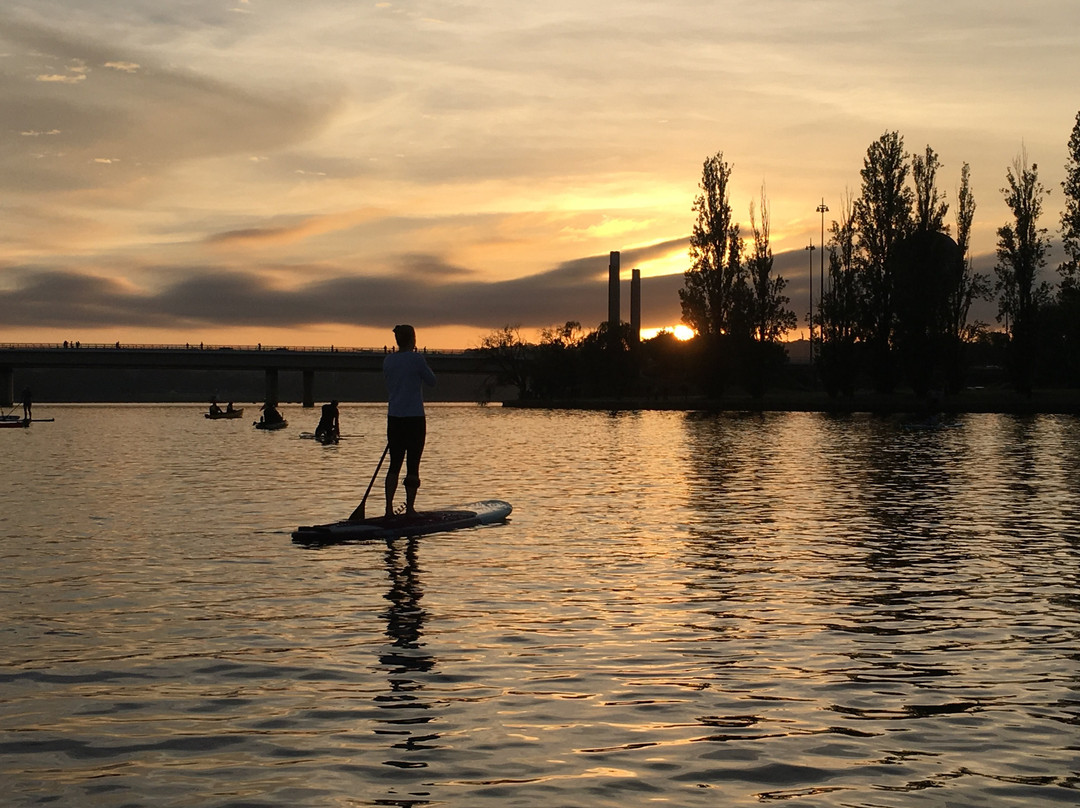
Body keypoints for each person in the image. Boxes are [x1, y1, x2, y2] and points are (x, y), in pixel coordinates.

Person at [383, 324, 436, 517]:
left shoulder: (388, 360)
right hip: (414, 418)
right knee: (413, 464)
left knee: (394, 464)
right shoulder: (416, 359)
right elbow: (432, 381)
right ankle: (410, 509)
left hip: (394, 418)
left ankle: (388, 509)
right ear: (412, 339)